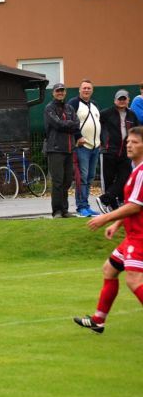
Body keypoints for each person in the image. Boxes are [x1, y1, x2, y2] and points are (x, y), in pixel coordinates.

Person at [75, 126, 143, 333]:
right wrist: (117, 223)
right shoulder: (135, 170)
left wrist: (105, 217)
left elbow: (135, 206)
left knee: (133, 280)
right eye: (128, 141)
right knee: (109, 269)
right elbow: (134, 203)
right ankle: (98, 320)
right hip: (132, 235)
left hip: (140, 238)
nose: (129, 145)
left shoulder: (141, 172)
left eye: (135, 142)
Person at [97, 90, 140, 212]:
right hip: (109, 151)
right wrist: (102, 140)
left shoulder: (132, 115)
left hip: (126, 153)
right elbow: (95, 125)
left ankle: (106, 199)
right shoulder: (106, 113)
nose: (122, 101)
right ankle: (111, 205)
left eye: (124, 99)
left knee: (125, 177)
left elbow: (136, 132)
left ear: (128, 100)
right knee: (108, 179)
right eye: (119, 99)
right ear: (115, 100)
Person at [44, 83, 81, 218]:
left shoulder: (70, 108)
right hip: (55, 149)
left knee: (67, 181)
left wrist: (68, 124)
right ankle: (57, 211)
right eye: (58, 91)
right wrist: (70, 124)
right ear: (53, 93)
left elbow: (77, 124)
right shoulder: (49, 108)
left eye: (62, 91)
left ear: (65, 92)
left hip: (69, 149)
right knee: (58, 181)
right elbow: (57, 124)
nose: (60, 93)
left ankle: (65, 210)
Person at [68, 79, 102, 217]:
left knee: (90, 177)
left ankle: (86, 205)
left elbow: (98, 123)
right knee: (82, 177)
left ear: (92, 90)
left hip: (95, 147)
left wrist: (101, 141)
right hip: (82, 147)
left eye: (89, 88)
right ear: (79, 90)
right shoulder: (73, 103)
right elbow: (70, 121)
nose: (86, 90)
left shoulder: (94, 105)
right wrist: (77, 137)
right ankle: (81, 207)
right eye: (84, 88)